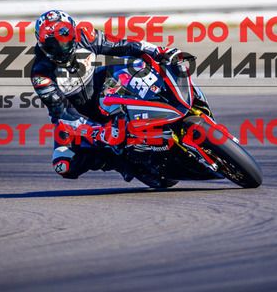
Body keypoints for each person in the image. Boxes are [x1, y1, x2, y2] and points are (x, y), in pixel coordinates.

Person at [30, 10, 181, 180]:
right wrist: (97, 132)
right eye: (52, 46)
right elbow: (62, 115)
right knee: (63, 164)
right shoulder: (41, 75)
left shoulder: (85, 36)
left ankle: (169, 103)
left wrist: (158, 51)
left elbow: (122, 44)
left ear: (72, 33)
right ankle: (117, 161)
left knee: (137, 65)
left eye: (64, 40)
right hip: (75, 118)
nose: (60, 50)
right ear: (41, 44)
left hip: (101, 86)